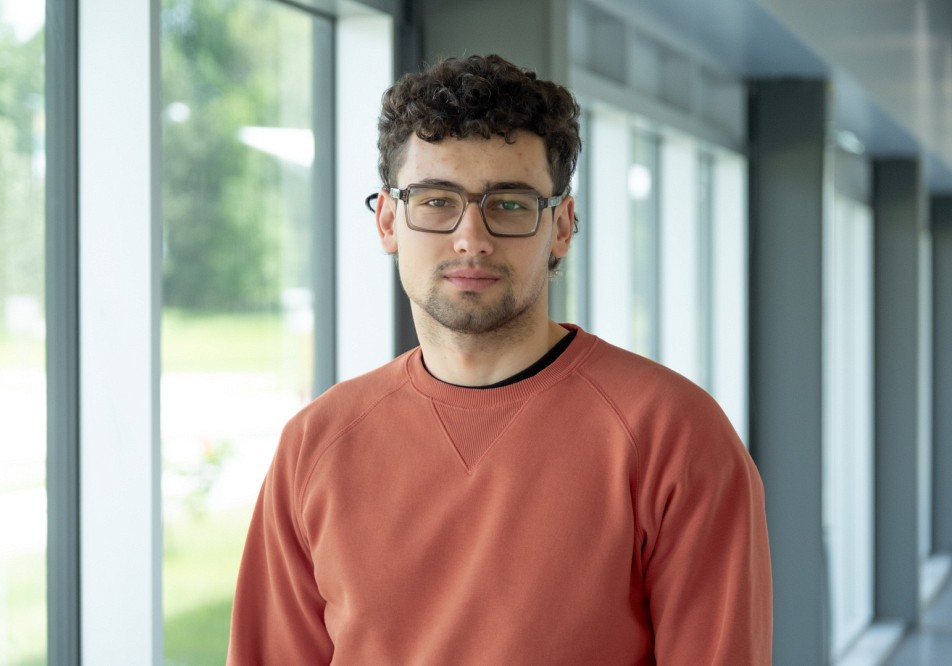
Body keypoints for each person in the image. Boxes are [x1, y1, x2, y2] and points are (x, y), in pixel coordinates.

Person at [227, 54, 772, 664]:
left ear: (561, 226)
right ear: (388, 219)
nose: (471, 237)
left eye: (509, 204)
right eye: (436, 200)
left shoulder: (674, 435)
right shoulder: (316, 443)